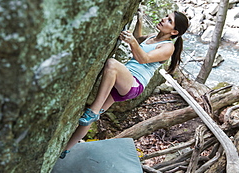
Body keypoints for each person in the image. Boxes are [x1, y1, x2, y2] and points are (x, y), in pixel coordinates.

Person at [60, 11, 189, 159]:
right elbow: (139, 41)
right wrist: (139, 23)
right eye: (166, 16)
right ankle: (65, 149)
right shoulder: (153, 37)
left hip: (134, 83)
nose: (164, 19)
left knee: (112, 64)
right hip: (123, 79)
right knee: (89, 118)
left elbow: (143, 58)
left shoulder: (167, 48)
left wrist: (132, 41)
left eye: (169, 20)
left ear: (174, 32)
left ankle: (94, 110)